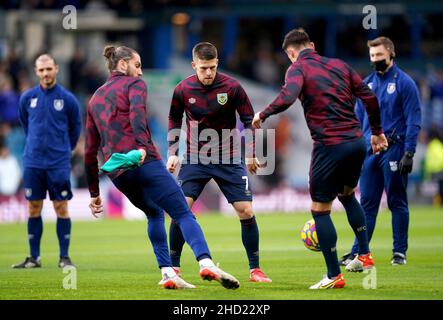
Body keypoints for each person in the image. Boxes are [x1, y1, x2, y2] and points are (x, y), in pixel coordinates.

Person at [85, 45, 240, 290]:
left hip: (117, 174)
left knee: (154, 213)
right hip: (143, 160)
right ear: (123, 65)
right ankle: (206, 262)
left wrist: (94, 192)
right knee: (182, 213)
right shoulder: (134, 84)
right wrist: (141, 147)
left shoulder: (94, 99)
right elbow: (137, 115)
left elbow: (89, 149)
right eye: (137, 65)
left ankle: (168, 272)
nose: (141, 72)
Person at [252, 28, 388, 289]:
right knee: (347, 196)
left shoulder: (297, 69)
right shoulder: (340, 65)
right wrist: (377, 132)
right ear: (312, 45)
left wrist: (264, 113)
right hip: (356, 142)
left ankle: (333, 274)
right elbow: (370, 97)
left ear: (292, 54)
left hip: (330, 145)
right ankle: (365, 254)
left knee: (319, 210)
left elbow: (288, 96)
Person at [166, 42, 272, 283]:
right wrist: (173, 151)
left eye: (212, 67)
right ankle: (174, 267)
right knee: (180, 209)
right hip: (196, 157)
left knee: (246, 211)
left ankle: (255, 269)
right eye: (203, 68)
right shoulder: (182, 89)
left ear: (217, 64)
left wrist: (251, 152)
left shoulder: (232, 87)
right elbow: (174, 118)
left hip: (229, 156)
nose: (208, 73)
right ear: (194, 65)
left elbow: (248, 120)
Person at [340, 37, 421, 267]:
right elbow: (356, 121)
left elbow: (414, 120)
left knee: (396, 201)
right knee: (367, 204)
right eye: (372, 56)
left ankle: (399, 252)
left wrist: (409, 152)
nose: (375, 60)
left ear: (391, 54)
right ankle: (359, 253)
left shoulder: (405, 84)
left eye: (379, 56)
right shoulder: (366, 85)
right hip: (368, 152)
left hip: (394, 149)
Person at [13, 54, 81, 269]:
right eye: (41, 70)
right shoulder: (27, 98)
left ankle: (64, 257)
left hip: (58, 162)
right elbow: (26, 125)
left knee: (61, 207)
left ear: (56, 69)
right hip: (33, 161)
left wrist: (63, 150)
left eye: (49, 69)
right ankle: (34, 258)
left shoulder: (68, 99)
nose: (45, 73)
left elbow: (75, 128)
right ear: (36, 72)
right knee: (34, 207)